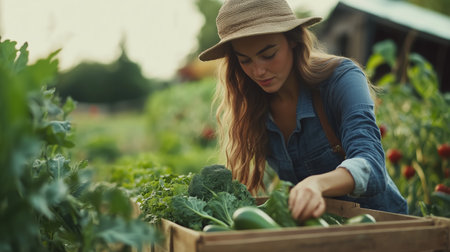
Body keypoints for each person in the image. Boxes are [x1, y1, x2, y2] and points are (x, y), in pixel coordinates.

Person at [198, 0, 408, 221]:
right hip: (320, 233)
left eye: (268, 54)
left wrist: (316, 184)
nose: (258, 71)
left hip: (383, 228)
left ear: (293, 40)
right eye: (245, 60)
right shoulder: (254, 106)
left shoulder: (341, 79)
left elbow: (372, 165)